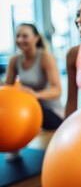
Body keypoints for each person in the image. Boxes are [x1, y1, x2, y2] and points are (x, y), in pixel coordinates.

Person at [5, 23, 64, 161]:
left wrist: (35, 94)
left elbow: (57, 90)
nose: (20, 40)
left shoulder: (45, 58)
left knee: (29, 109)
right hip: (29, 109)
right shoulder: (14, 60)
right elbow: (8, 89)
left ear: (36, 38)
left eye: (25, 36)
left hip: (51, 113)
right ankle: (12, 144)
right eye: (17, 36)